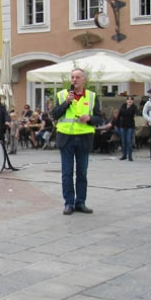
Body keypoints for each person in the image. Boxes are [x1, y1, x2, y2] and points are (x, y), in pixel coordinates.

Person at [52, 68, 101, 215]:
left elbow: (99, 119)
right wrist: (67, 102)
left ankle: (80, 202)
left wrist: (90, 118)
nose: (74, 80)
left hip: (84, 138)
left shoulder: (92, 96)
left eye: (77, 77)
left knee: (82, 172)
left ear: (84, 80)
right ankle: (68, 203)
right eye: (72, 77)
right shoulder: (62, 95)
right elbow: (55, 114)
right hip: (66, 138)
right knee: (67, 173)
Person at [119, 96, 138, 161]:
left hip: (130, 126)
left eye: (131, 100)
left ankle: (130, 155)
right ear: (126, 101)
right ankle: (124, 155)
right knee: (123, 141)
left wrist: (126, 111)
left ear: (133, 101)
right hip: (123, 125)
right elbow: (121, 113)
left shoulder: (134, 107)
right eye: (128, 99)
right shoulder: (123, 106)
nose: (130, 101)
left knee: (129, 141)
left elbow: (131, 113)